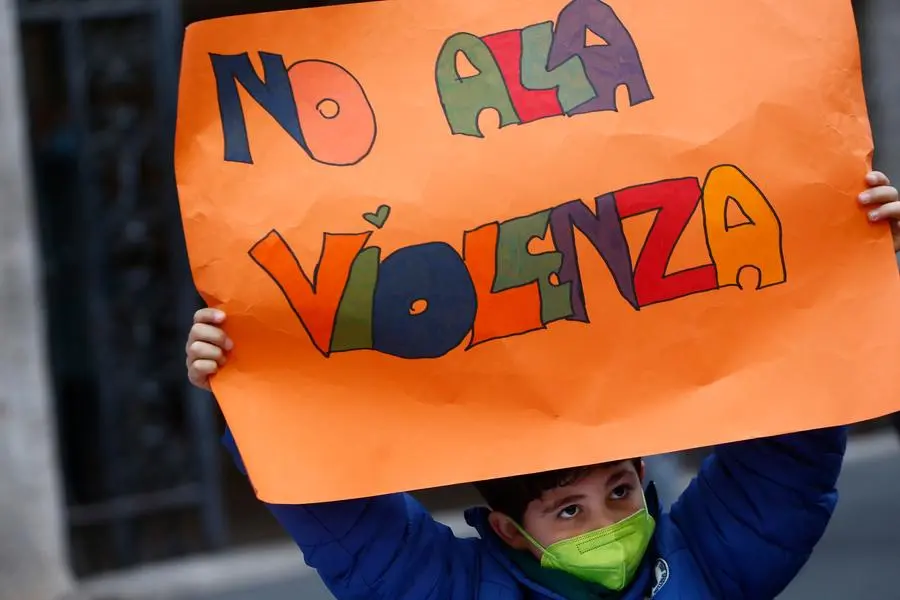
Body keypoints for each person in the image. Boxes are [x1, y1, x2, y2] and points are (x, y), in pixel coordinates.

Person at [186, 171, 900, 599]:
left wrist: (840, 256)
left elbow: (789, 458)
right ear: (508, 530)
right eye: (568, 511)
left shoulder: (706, 562)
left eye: (620, 489)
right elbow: (335, 514)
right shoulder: (447, 591)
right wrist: (253, 380)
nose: (609, 521)